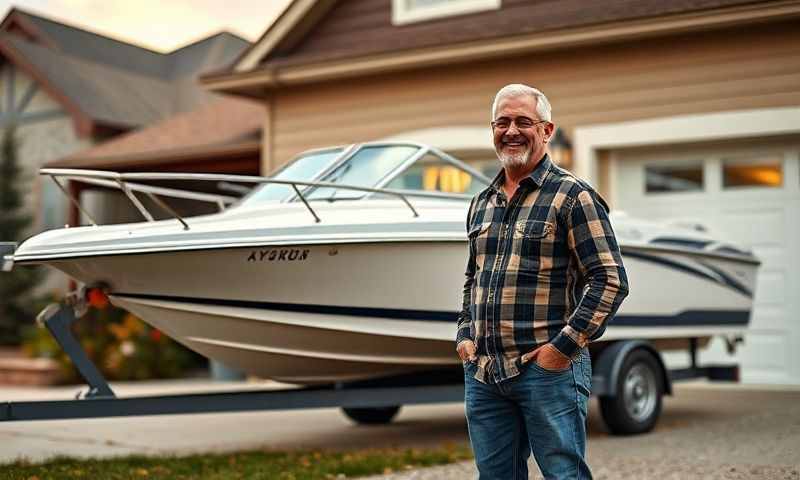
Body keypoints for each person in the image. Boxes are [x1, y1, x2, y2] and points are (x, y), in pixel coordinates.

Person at [456, 84, 629, 480]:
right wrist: (465, 336)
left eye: (523, 121)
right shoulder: (482, 201)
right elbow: (473, 277)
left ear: (547, 130)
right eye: (502, 122)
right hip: (484, 372)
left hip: (547, 372)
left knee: (563, 475)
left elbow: (610, 280)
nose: (511, 130)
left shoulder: (573, 196)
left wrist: (561, 349)